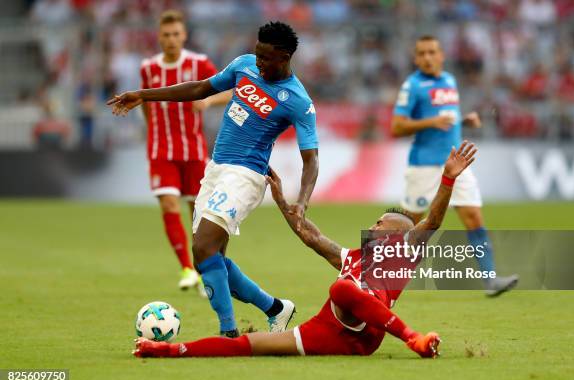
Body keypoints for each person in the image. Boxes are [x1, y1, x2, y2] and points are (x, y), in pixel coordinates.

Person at [131, 141, 478, 359]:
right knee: (248, 347)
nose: (372, 227)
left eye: (379, 224)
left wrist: (448, 179)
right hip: (329, 330)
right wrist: (282, 201)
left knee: (341, 287)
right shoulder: (353, 258)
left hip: (367, 330)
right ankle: (167, 349)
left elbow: (431, 221)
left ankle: (412, 338)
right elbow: (311, 236)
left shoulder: (400, 256)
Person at [108, 22, 319, 336]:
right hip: (216, 169)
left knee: (205, 247)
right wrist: (144, 95)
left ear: (285, 56)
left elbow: (311, 159)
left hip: (246, 175)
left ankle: (229, 333)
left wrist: (301, 202)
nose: (258, 61)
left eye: (266, 57)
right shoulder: (244, 65)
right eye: (257, 53)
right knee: (208, 257)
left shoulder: (298, 101)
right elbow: (200, 88)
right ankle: (276, 308)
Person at [391, 35, 518, 296]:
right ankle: (379, 274)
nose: (427, 57)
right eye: (422, 53)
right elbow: (397, 126)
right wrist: (431, 122)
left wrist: (464, 120)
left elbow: (448, 118)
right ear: (416, 59)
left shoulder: (449, 81)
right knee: (410, 224)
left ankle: (490, 279)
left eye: (431, 52)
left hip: (456, 163)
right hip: (424, 166)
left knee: (473, 217)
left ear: (441, 55)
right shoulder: (412, 86)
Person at [139, 10, 231, 293]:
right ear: (159, 37)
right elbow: (144, 101)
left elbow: (232, 90)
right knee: (168, 204)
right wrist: (154, 129)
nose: (171, 39)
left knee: (197, 213)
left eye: (176, 34)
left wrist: (208, 102)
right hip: (161, 150)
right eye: (166, 35)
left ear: (184, 35)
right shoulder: (148, 68)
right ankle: (187, 269)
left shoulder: (198, 63)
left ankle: (204, 271)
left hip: (193, 151)